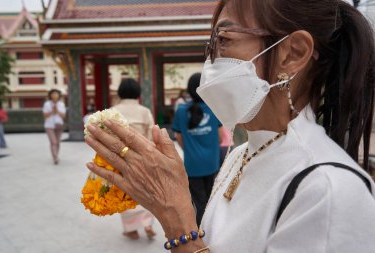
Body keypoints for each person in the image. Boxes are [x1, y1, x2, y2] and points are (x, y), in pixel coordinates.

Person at [84, 0, 375, 252]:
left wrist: (178, 219)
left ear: (293, 53)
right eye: (211, 45)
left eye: (224, 40)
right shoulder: (240, 154)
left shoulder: (329, 190)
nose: (211, 61)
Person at [172, 73, 222, 226]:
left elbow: (179, 138)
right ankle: (214, 230)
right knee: (212, 200)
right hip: (212, 163)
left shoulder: (181, 111)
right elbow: (220, 138)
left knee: (199, 203)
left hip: (193, 166)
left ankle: (201, 233)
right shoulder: (214, 108)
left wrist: (191, 150)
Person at [112, 78, 156, 240]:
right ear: (138, 93)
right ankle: (147, 224)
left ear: (120, 93)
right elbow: (152, 134)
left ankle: (131, 229)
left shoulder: (112, 111)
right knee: (146, 190)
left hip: (121, 157)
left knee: (125, 192)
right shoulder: (144, 111)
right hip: (142, 156)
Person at [43, 89, 66, 165]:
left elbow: (63, 115)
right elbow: (45, 115)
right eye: (53, 94)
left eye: (56, 94)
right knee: (53, 142)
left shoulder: (61, 104)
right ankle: (55, 157)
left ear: (59, 95)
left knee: (58, 142)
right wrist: (52, 111)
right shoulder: (47, 104)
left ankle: (56, 155)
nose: (55, 95)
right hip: (49, 125)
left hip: (59, 124)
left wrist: (57, 111)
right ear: (50, 95)